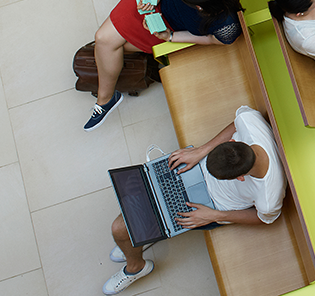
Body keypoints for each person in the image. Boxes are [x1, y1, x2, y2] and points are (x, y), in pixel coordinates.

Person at [102, 105, 285, 294]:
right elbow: (237, 121)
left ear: (240, 178)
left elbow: (263, 218)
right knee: (142, 201)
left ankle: (137, 267)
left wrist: (213, 215)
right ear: (232, 143)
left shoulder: (269, 196)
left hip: (211, 205)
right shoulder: (249, 121)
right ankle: (144, 233)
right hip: (193, 166)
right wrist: (201, 151)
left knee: (121, 228)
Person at [86, 0, 243, 132]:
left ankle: (105, 68)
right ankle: (105, 99)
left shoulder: (226, 26)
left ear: (197, 7)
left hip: (168, 26)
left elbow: (212, 39)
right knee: (104, 40)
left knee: (115, 47)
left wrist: (169, 37)